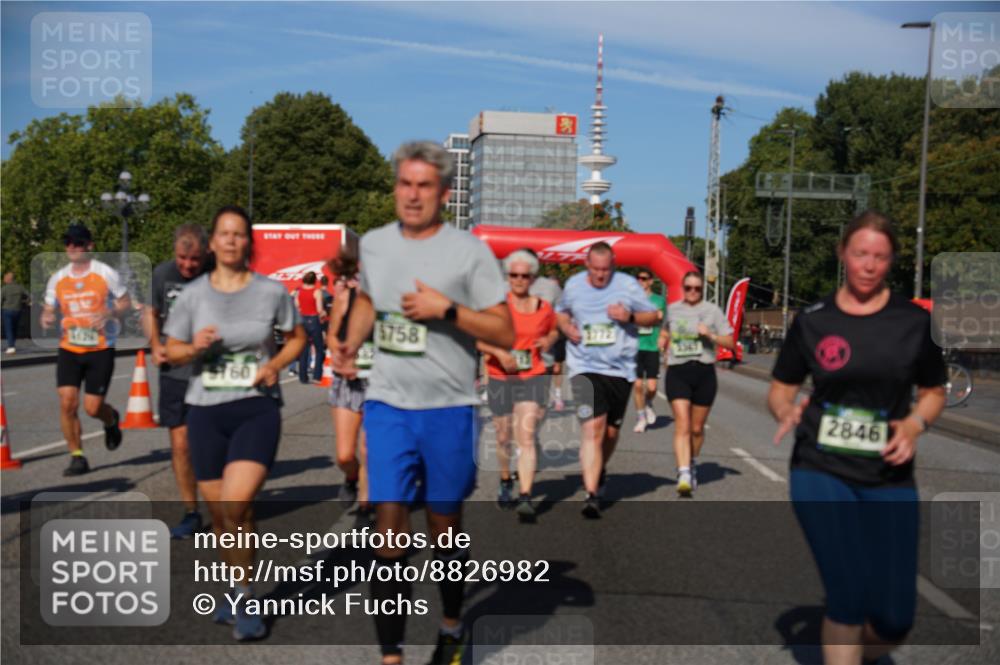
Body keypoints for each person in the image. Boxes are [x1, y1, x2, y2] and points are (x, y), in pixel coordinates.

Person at [332, 141, 513, 665]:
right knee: (388, 528)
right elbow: (369, 300)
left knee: (444, 529)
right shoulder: (374, 245)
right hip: (388, 405)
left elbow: (504, 330)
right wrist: (350, 341)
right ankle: (391, 655)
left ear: (445, 193)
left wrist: (447, 309)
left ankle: (452, 623)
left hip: (449, 409)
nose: (413, 196)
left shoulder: (469, 253)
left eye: (424, 186)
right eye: (405, 184)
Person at [768, 211, 946, 665]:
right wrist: (786, 410)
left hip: (888, 473)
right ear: (842, 254)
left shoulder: (914, 322)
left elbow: (933, 392)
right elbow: (781, 389)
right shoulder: (814, 320)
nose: (869, 265)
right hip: (820, 466)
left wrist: (913, 425)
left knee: (895, 619)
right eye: (860, 253)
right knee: (846, 595)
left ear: (892, 261)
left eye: (880, 257)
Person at [164, 205, 305, 641]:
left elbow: (297, 338)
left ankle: (245, 599)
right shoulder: (192, 296)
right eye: (223, 233)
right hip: (206, 411)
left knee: (237, 505)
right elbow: (171, 351)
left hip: (255, 408)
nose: (230, 240)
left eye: (239, 234)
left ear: (248, 242)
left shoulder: (271, 292)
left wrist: (275, 364)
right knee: (223, 518)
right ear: (212, 243)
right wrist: (194, 347)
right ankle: (237, 585)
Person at [555, 242, 659, 518]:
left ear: (613, 264)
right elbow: (560, 312)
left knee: (611, 432)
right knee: (593, 428)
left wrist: (630, 316)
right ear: (587, 265)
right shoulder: (574, 285)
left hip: (620, 370)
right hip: (583, 367)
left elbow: (652, 316)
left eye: (606, 269)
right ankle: (591, 495)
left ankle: (599, 469)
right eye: (596, 269)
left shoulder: (627, 286)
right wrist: (566, 327)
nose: (601, 275)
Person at [40, 224, 129, 476]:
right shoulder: (58, 278)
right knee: (67, 402)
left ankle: (111, 419)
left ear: (90, 246)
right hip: (69, 348)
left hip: (100, 348)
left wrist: (110, 312)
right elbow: (49, 307)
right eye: (68, 242)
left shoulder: (105, 273)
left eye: (78, 243)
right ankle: (77, 456)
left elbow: (125, 302)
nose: (72, 247)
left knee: (92, 408)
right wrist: (46, 317)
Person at [479, 249, 558, 520]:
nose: (519, 280)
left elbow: (553, 329)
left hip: (532, 375)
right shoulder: (495, 306)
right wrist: (500, 354)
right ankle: (505, 479)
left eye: (524, 276)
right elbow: (477, 338)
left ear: (533, 278)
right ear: (507, 276)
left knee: (526, 435)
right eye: (514, 275)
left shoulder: (543, 307)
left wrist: (548, 340)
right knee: (504, 437)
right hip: (500, 376)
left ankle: (525, 495)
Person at [146, 224, 208, 538]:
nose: (187, 265)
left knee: (214, 444)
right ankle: (191, 511)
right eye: (182, 258)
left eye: (194, 259)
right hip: (175, 371)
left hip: (213, 372)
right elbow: (151, 312)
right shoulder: (162, 274)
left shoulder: (219, 272)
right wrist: (155, 344)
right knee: (181, 446)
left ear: (205, 253)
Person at [662, 270, 735, 496]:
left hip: (704, 372)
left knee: (696, 429)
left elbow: (730, 342)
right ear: (683, 289)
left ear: (702, 290)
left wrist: (711, 335)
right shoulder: (673, 310)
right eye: (688, 288)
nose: (692, 292)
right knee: (682, 423)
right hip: (678, 371)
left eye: (697, 288)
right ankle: (683, 472)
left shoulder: (712, 311)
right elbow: (664, 332)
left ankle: (691, 462)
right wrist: (661, 342)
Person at [326, 250, 370, 510]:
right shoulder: (347, 296)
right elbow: (332, 335)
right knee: (345, 455)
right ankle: (351, 477)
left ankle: (366, 509)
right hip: (348, 382)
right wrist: (341, 355)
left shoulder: (395, 298)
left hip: (381, 384)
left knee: (368, 450)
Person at [631, 269, 667, 433]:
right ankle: (641, 418)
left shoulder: (658, 300)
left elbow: (662, 320)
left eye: (644, 278)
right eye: (638, 278)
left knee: (652, 387)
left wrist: (664, 339)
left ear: (651, 281)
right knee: (638, 385)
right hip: (635, 347)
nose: (640, 281)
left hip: (652, 347)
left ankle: (647, 403)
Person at [529, 265, 564, 409]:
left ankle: (557, 395)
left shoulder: (552, 289)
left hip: (544, 356)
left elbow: (563, 320)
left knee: (539, 408)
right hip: (517, 357)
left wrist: (551, 338)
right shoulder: (504, 288)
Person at [296, 271, 326, 384]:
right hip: (313, 320)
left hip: (302, 319)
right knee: (319, 349)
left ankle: (303, 377)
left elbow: (296, 305)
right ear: (315, 280)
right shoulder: (316, 291)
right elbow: (319, 309)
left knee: (304, 350)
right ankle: (317, 376)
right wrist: (324, 313)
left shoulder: (299, 291)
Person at [2, 272, 27, 354]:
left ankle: (11, 346)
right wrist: (23, 302)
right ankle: (12, 345)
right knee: (15, 328)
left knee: (8, 328)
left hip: (7, 310)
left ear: (8, 279)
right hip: (18, 310)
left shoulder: (4, 288)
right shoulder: (20, 288)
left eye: (5, 278)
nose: (4, 279)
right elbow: (29, 296)